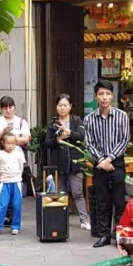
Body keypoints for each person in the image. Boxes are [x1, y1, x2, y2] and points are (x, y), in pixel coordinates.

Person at [85, 81, 130, 248]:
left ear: (112, 95)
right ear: (96, 96)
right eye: (101, 94)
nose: (104, 97)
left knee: (119, 201)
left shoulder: (121, 116)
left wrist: (109, 159)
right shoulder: (89, 119)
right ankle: (104, 234)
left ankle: (119, 235)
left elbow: (124, 141)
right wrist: (102, 161)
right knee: (102, 201)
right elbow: (89, 143)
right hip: (99, 164)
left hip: (116, 163)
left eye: (107, 94)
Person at [43, 93, 90, 230]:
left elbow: (82, 137)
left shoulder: (77, 120)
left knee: (77, 192)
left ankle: (84, 220)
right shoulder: (53, 123)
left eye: (65, 105)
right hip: (58, 163)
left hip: (75, 162)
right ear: (56, 107)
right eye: (60, 105)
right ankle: (61, 219)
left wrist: (69, 133)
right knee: (61, 193)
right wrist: (58, 139)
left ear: (70, 107)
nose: (62, 108)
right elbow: (47, 143)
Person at [0, 130, 25, 235]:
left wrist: (17, 177)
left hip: (16, 182)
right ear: (3, 143)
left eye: (13, 144)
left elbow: (21, 167)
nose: (11, 146)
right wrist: (1, 178)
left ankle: (16, 226)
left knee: (17, 204)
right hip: (5, 182)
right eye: (8, 143)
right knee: (2, 205)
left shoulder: (19, 154)